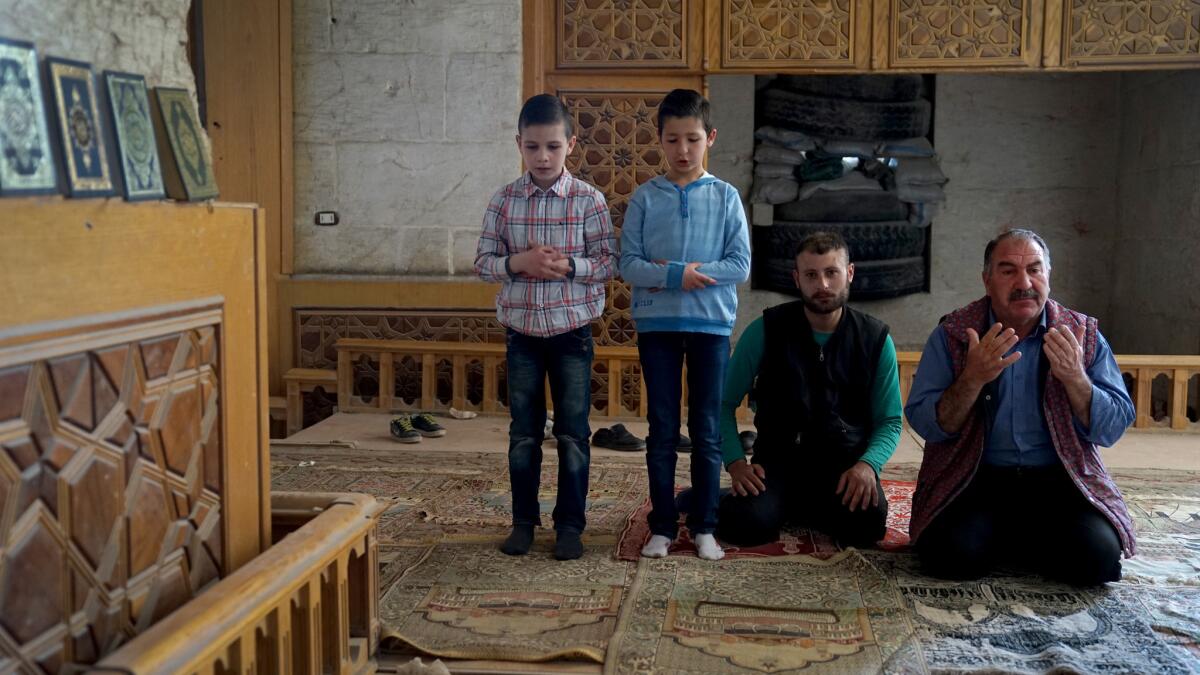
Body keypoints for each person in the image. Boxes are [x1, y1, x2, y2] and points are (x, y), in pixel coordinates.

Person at [905, 228, 1136, 585]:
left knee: (1098, 561)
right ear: (987, 280)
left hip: (1058, 479)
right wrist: (972, 377)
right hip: (975, 477)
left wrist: (1076, 378)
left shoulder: (1081, 334)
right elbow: (927, 424)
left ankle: (1009, 540)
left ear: (1048, 276)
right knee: (948, 557)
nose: (1024, 282)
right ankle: (1012, 540)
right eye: (1008, 270)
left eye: (1034, 269)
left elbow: (1113, 427)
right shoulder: (954, 334)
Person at [474, 94, 616, 560]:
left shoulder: (588, 200)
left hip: (572, 335)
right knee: (524, 434)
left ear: (570, 145)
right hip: (522, 337)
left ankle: (570, 526)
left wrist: (567, 266)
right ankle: (522, 523)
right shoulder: (504, 199)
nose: (542, 157)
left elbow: (606, 263)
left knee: (574, 434)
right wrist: (522, 262)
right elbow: (483, 264)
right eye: (532, 147)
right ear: (519, 144)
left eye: (552, 147)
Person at [619, 88, 751, 561]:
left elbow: (740, 265)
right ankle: (660, 525)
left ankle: (704, 527)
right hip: (656, 327)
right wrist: (679, 274)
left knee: (707, 429)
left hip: (711, 329)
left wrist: (684, 273)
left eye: (692, 139)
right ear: (660, 140)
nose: (682, 150)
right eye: (672, 139)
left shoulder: (726, 196)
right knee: (661, 427)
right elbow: (629, 265)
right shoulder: (645, 197)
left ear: (709, 138)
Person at [714, 232, 903, 548]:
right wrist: (735, 462)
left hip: (844, 467)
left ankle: (800, 508)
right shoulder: (765, 330)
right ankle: (765, 504)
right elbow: (721, 404)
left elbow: (890, 421)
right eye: (812, 275)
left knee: (866, 527)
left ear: (850, 274)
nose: (823, 285)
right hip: (777, 463)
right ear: (797, 279)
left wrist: (868, 465)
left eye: (832, 273)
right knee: (745, 525)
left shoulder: (876, 339)